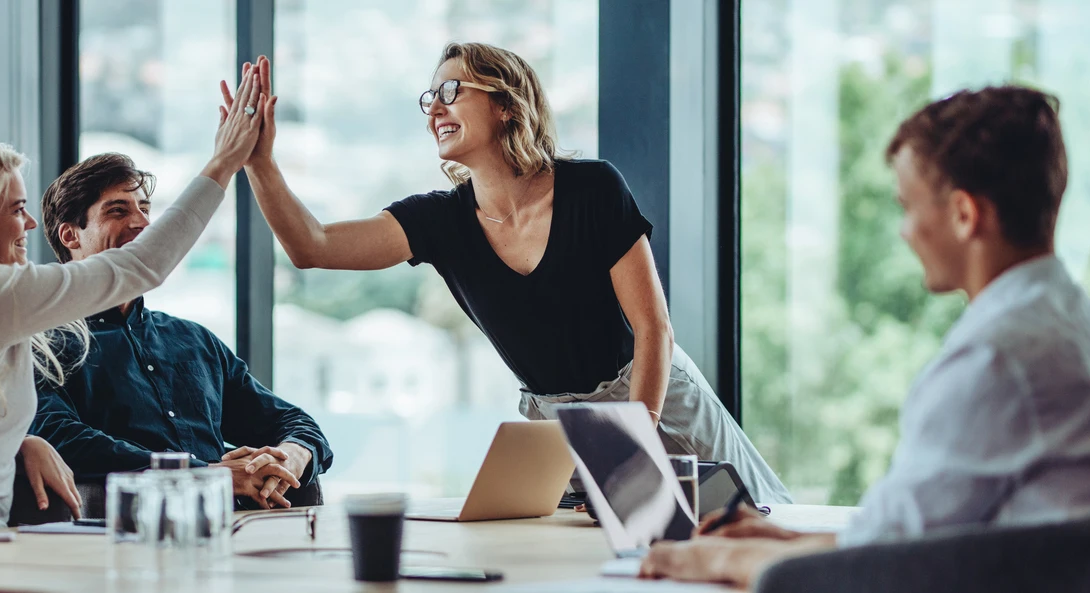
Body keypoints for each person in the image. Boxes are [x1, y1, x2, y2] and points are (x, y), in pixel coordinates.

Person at [635, 86, 1090, 589]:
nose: (905, 232)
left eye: (908, 207)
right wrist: (780, 539)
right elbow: (907, 538)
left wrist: (713, 559)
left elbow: (878, 567)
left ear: (964, 215)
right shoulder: (1087, 331)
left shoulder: (997, 356)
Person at [229, 44, 791, 503]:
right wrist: (260, 162)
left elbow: (653, 329)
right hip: (560, 425)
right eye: (430, 98)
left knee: (756, 525)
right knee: (599, 562)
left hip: (653, 395)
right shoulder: (439, 221)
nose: (434, 109)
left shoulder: (593, 188)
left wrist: (630, 443)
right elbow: (312, 246)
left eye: (452, 91)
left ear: (505, 103)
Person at [0, 62, 271, 535]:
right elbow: (141, 265)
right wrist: (223, 163)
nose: (29, 224)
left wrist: (20, 442)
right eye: (16, 209)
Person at [28, 152, 334, 510]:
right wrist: (204, 474)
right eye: (118, 210)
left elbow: (292, 421)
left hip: (234, 526)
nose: (142, 223)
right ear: (70, 235)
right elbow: (58, 437)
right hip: (125, 528)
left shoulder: (194, 340)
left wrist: (292, 455)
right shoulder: (42, 344)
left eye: (144, 208)